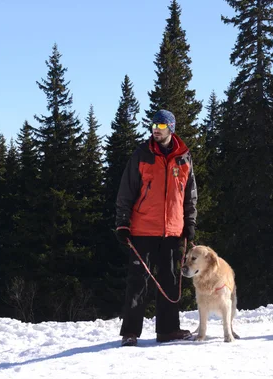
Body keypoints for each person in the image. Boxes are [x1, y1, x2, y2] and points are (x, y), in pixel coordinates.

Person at [115, 109, 197, 346]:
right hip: (142, 230)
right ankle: (130, 333)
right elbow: (126, 191)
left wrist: (190, 223)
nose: (155, 131)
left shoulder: (184, 157)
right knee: (137, 281)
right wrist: (122, 222)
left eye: (161, 127)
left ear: (171, 129)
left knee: (170, 281)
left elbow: (190, 196)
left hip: (173, 231)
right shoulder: (142, 155)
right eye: (153, 126)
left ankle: (168, 330)